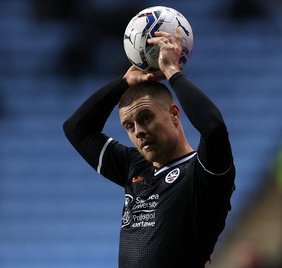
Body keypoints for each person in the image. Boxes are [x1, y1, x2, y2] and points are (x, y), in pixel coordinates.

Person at [63, 27, 235, 267]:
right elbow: (76, 129)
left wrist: (172, 72)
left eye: (145, 118)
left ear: (174, 114)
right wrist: (123, 82)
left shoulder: (204, 173)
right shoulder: (134, 167)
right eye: (129, 126)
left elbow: (213, 129)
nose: (138, 131)